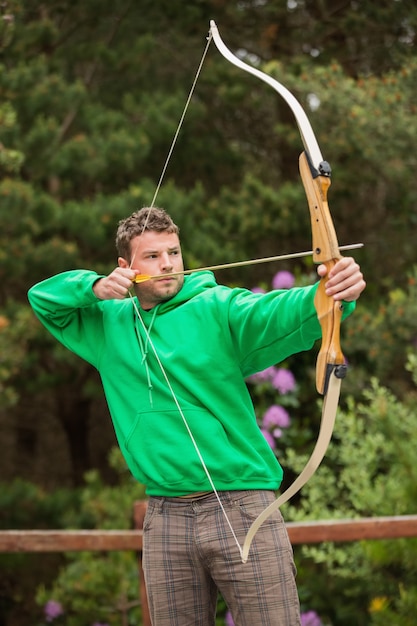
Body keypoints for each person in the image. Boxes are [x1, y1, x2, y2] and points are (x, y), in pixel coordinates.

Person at [28, 206, 365, 626]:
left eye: (173, 252)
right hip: (165, 515)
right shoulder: (107, 324)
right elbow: (43, 299)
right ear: (125, 266)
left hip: (243, 507)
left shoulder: (218, 307)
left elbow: (279, 311)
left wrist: (333, 292)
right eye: (152, 256)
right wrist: (92, 287)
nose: (167, 264)